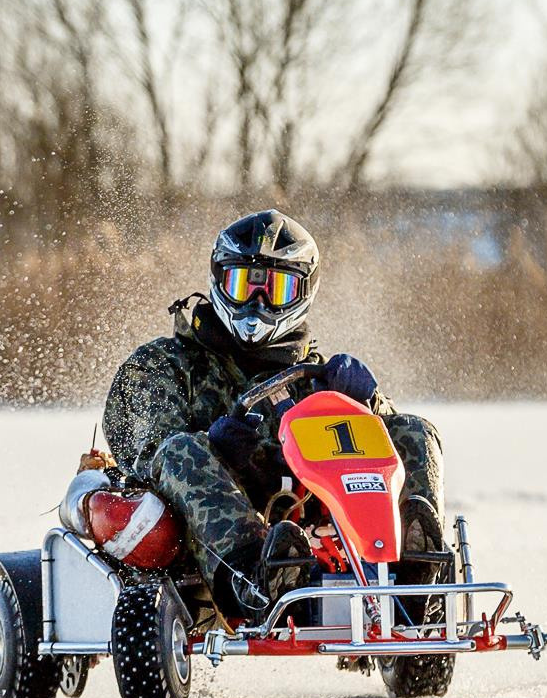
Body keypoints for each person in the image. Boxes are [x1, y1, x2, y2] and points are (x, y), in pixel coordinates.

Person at [100, 209, 446, 623]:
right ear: (218, 281)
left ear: (304, 293)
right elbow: (145, 453)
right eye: (243, 285)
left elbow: (377, 450)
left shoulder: (317, 377)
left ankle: (412, 576)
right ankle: (254, 579)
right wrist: (217, 449)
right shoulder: (163, 364)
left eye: (276, 289)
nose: (257, 303)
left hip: (312, 511)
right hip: (205, 538)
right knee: (182, 452)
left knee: (413, 430)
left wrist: (369, 404)